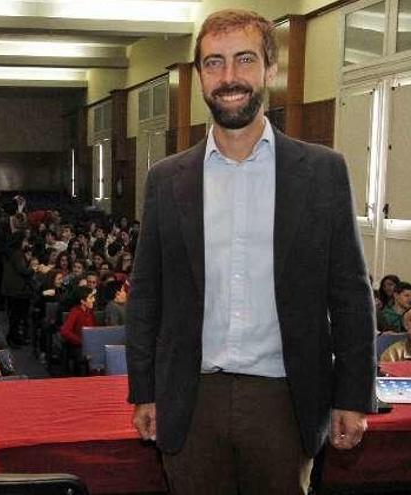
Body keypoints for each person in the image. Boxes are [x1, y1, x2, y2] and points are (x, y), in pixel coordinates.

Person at [125, 9, 376, 494]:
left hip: (286, 395)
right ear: (199, 77)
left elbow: (349, 292)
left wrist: (353, 394)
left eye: (244, 60)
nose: (230, 77)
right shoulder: (166, 179)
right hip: (190, 396)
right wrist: (144, 390)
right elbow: (146, 295)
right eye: (214, 63)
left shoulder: (322, 172)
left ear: (270, 70)